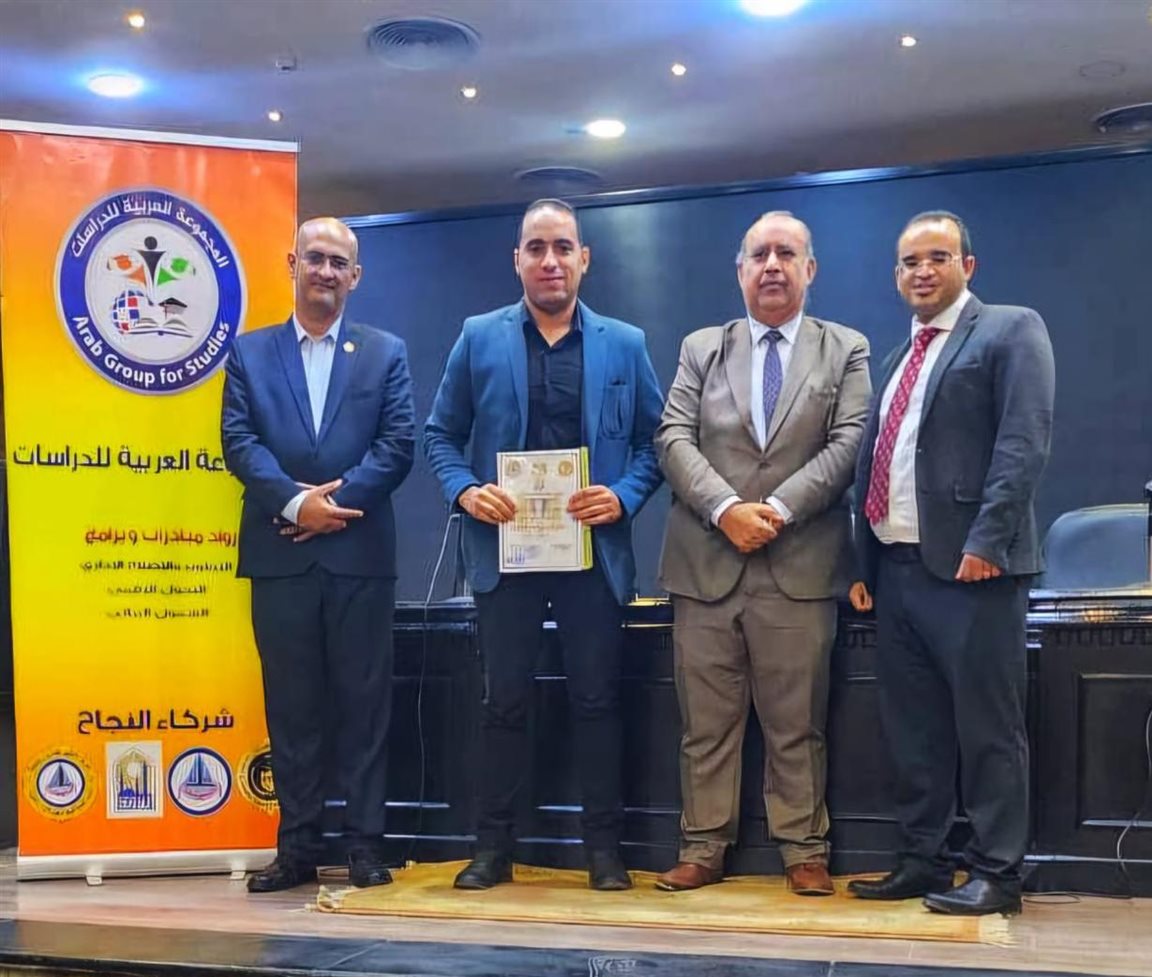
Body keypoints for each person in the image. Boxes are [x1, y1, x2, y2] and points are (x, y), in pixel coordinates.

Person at [423, 198, 664, 891]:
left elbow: (655, 442)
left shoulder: (625, 343)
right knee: (502, 703)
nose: (550, 260)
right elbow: (441, 436)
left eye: (563, 247)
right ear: (517, 260)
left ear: (584, 258)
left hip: (594, 554)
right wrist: (467, 491)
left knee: (597, 701)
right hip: (505, 554)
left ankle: (604, 853)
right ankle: (491, 850)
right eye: (536, 247)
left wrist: (624, 494)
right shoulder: (478, 337)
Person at [655, 211, 870, 896]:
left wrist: (774, 509)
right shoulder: (701, 348)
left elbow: (850, 443)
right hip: (705, 564)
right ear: (740, 270)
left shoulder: (845, 348)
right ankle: (702, 847)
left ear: (810, 269)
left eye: (786, 253)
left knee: (797, 722)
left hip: (799, 564)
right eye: (759, 255)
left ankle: (803, 850)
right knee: (705, 725)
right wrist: (727, 509)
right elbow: (672, 438)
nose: (772, 265)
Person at [847, 210, 1054, 916]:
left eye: (937, 257)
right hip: (898, 572)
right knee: (914, 730)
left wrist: (987, 542)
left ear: (969, 265)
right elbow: (879, 463)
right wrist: (863, 562)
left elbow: (1023, 442)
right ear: (896, 275)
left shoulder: (1009, 329)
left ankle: (998, 872)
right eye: (910, 261)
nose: (922, 271)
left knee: (988, 729)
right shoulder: (897, 358)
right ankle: (922, 859)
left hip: (973, 572)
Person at [222, 217, 415, 893]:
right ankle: (296, 848)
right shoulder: (249, 354)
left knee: (365, 707)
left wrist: (333, 507)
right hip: (280, 557)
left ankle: (364, 845)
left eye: (338, 262)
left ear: (354, 276)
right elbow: (239, 442)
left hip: (360, 555)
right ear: (292, 264)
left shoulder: (385, 352)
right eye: (315, 258)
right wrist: (295, 504)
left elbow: (398, 444)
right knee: (292, 709)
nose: (325, 271)